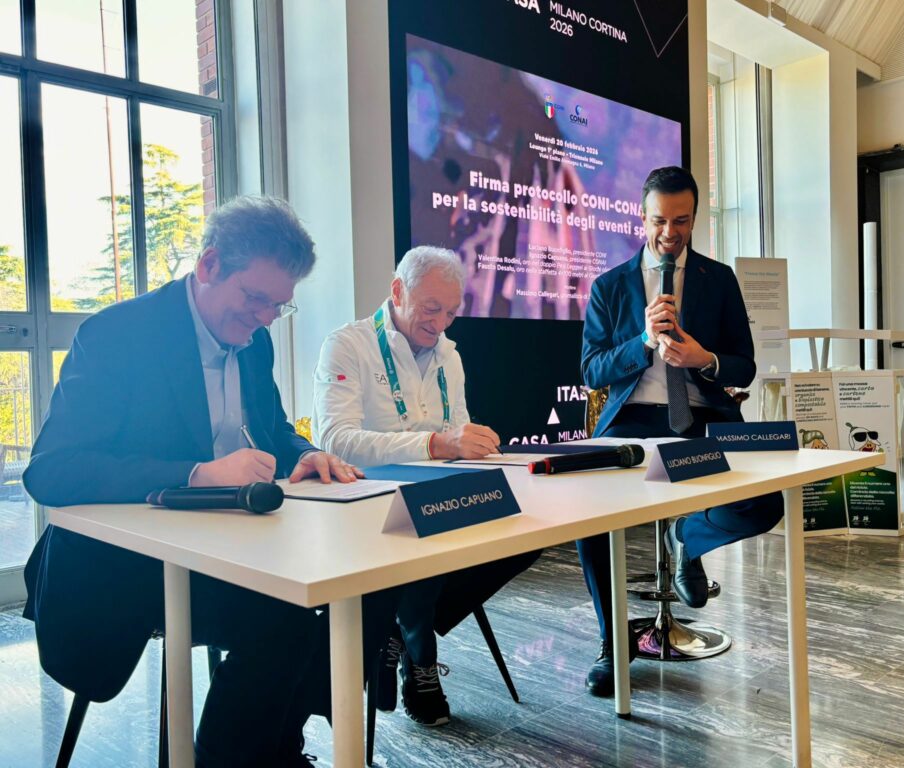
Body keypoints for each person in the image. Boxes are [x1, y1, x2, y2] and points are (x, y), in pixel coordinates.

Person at [22, 196, 366, 767]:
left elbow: (274, 429)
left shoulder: (253, 340)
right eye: (255, 298)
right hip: (127, 567)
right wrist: (195, 475)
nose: (265, 318)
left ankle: (272, 748)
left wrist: (308, 454)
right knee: (285, 617)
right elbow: (53, 469)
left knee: (345, 598)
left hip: (232, 549)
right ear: (209, 265)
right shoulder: (117, 334)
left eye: (279, 306)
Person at [577, 166, 784, 696]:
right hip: (633, 419)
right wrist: (643, 342)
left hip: (704, 418)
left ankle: (686, 538)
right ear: (641, 216)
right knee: (587, 512)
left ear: (695, 217)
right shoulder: (609, 286)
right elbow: (592, 371)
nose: (670, 233)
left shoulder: (720, 279)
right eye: (659, 221)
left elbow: (744, 366)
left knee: (764, 503)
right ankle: (612, 641)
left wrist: (704, 359)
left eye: (682, 221)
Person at [313, 245, 540, 726]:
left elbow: (457, 428)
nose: (440, 324)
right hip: (367, 503)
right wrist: (435, 444)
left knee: (527, 535)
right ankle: (422, 657)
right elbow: (336, 440)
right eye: (431, 309)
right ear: (397, 291)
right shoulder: (347, 345)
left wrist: (474, 444)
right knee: (423, 532)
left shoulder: (450, 357)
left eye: (451, 313)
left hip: (438, 496)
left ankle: (397, 629)